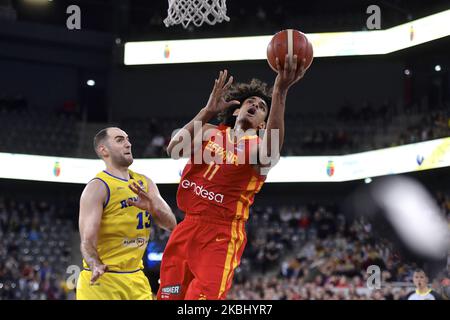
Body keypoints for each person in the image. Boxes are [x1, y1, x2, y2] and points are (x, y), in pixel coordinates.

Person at [157, 55, 307, 300]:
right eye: (252, 101)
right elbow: (174, 150)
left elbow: (271, 151)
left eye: (262, 108)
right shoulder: (209, 131)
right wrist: (206, 111)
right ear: (237, 109)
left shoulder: (259, 147)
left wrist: (280, 91)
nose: (256, 106)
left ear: (262, 124)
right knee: (168, 297)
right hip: (187, 226)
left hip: (221, 235)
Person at [76, 127, 177, 300]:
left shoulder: (146, 183)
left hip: (136, 278)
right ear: (103, 150)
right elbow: (87, 241)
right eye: (119, 140)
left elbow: (171, 225)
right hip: (102, 281)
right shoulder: (97, 187)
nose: (128, 143)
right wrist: (95, 264)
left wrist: (153, 207)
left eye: (128, 139)